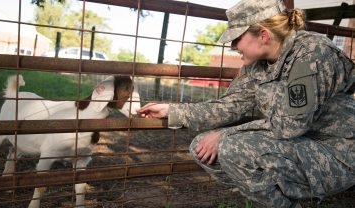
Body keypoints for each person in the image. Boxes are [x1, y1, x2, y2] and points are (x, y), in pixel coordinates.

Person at [138, 0, 355, 207]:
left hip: (337, 150)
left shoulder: (312, 53)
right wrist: (172, 110)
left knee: (231, 147)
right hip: (301, 143)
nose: (233, 46)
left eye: (237, 38)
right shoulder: (257, 66)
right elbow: (229, 106)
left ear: (263, 35)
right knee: (201, 146)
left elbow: (291, 125)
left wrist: (225, 134)